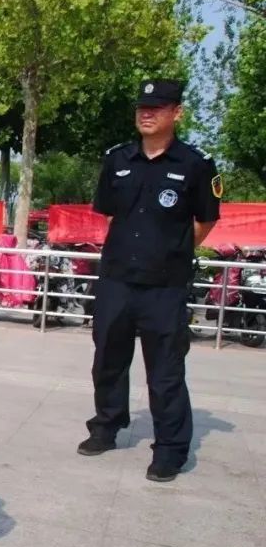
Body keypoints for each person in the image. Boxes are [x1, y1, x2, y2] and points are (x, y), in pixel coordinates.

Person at [80, 78, 221, 482]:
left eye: (156, 108)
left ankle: (170, 450)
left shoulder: (195, 164)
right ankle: (106, 426)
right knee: (107, 359)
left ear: (177, 113)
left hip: (165, 285)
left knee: (165, 370)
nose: (146, 114)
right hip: (117, 280)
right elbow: (110, 214)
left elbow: (205, 220)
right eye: (142, 107)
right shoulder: (117, 159)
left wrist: (170, 251)